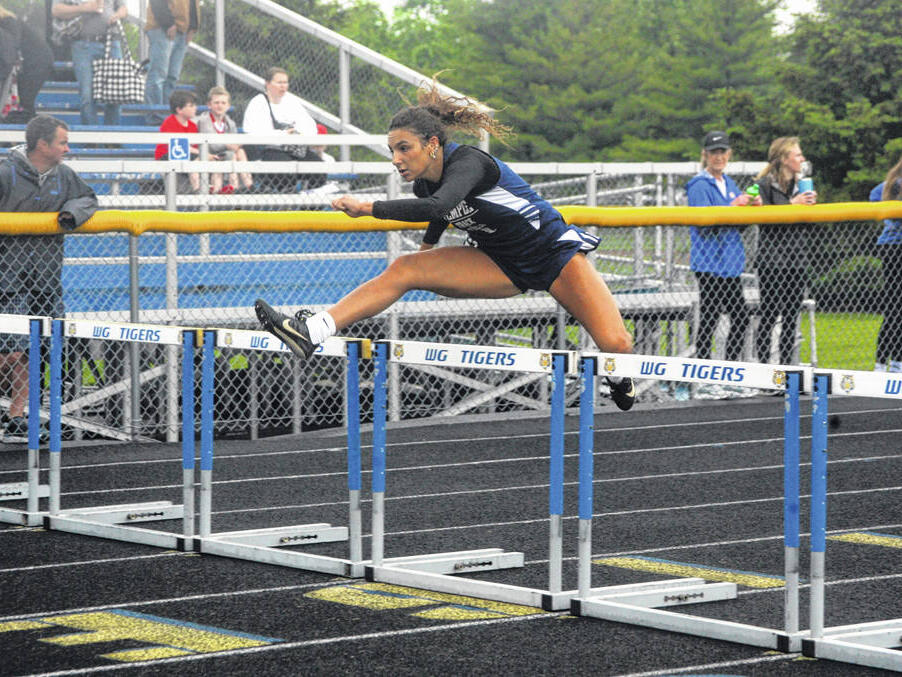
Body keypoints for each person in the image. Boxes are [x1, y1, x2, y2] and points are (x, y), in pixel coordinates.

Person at [254, 81, 636, 411]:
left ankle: (621, 378)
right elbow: (439, 212)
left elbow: (439, 206)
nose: (396, 160)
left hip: (552, 254)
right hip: (499, 261)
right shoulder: (424, 182)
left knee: (615, 343)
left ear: (432, 144)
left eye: (404, 149)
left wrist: (368, 207)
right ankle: (314, 330)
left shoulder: (470, 162)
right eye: (392, 151)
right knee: (405, 269)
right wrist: (427, 247)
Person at [0, 115, 98, 442]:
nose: (67, 148)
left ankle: (16, 414)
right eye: (62, 142)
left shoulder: (64, 175)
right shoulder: (6, 171)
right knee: (9, 352)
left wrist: (69, 213)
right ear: (42, 144)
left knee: (34, 350)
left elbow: (89, 198)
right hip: (7, 277)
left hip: (45, 277)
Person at [686, 131, 760, 364]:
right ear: (705, 155)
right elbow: (704, 225)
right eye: (714, 152)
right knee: (711, 317)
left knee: (739, 317)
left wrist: (749, 208)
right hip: (709, 263)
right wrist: (733, 205)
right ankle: (704, 372)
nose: (719, 157)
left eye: (722, 152)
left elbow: (739, 225)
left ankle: (728, 368)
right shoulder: (699, 184)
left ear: (729, 154)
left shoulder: (729, 183)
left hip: (730, 263)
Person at [754, 136, 817, 364]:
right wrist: (793, 205)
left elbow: (808, 227)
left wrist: (809, 208)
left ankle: (785, 368)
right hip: (772, 261)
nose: (802, 159)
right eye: (797, 155)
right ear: (784, 158)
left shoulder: (800, 185)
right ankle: (763, 368)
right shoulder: (764, 184)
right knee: (770, 314)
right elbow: (766, 220)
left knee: (791, 316)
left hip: (796, 259)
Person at [241, 66, 324, 193]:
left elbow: (309, 126)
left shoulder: (291, 101)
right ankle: (286, 203)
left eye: (285, 82)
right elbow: (254, 133)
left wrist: (299, 133)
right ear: (268, 84)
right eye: (279, 82)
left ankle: (308, 206)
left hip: (294, 149)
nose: (283, 86)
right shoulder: (258, 103)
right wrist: (283, 134)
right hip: (269, 150)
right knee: (286, 169)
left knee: (319, 169)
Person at [51, 0, 127, 126]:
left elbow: (124, 8)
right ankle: (92, 140)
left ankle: (112, 140)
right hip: (82, 44)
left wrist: (117, 15)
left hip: (112, 41)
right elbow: (56, 10)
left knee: (116, 93)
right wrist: (85, 8)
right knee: (87, 95)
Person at [870, 156, 902, 373]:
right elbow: (874, 197)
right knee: (894, 308)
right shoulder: (895, 182)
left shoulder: (893, 180)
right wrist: (889, 219)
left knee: (895, 308)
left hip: (889, 246)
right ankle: (886, 362)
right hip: (895, 247)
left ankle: (889, 361)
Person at [144, 0, 200, 124]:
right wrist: (168, 23)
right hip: (161, 28)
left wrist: (193, 26)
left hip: (182, 30)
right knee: (158, 75)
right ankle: (155, 118)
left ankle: (167, 117)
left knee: (172, 77)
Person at [195, 85, 254, 194]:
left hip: (225, 154)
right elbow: (212, 145)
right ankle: (233, 187)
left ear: (228, 106)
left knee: (240, 151)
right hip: (209, 154)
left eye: (223, 103)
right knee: (231, 155)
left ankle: (249, 185)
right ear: (209, 105)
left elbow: (234, 141)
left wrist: (236, 145)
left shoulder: (230, 122)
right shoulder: (204, 121)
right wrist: (228, 145)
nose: (220, 106)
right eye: (216, 103)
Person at [0, 4, 53, 123]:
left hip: (36, 63)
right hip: (31, 62)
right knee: (24, 104)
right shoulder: (9, 21)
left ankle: (29, 131)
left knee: (25, 103)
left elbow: (10, 52)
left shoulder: (8, 22)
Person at [154, 89, 199, 192]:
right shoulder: (169, 122)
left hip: (187, 157)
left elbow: (193, 149)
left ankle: (211, 189)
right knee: (195, 158)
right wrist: (203, 153)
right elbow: (176, 147)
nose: (195, 108)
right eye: (191, 106)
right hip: (167, 156)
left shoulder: (192, 126)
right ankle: (197, 189)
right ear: (179, 110)